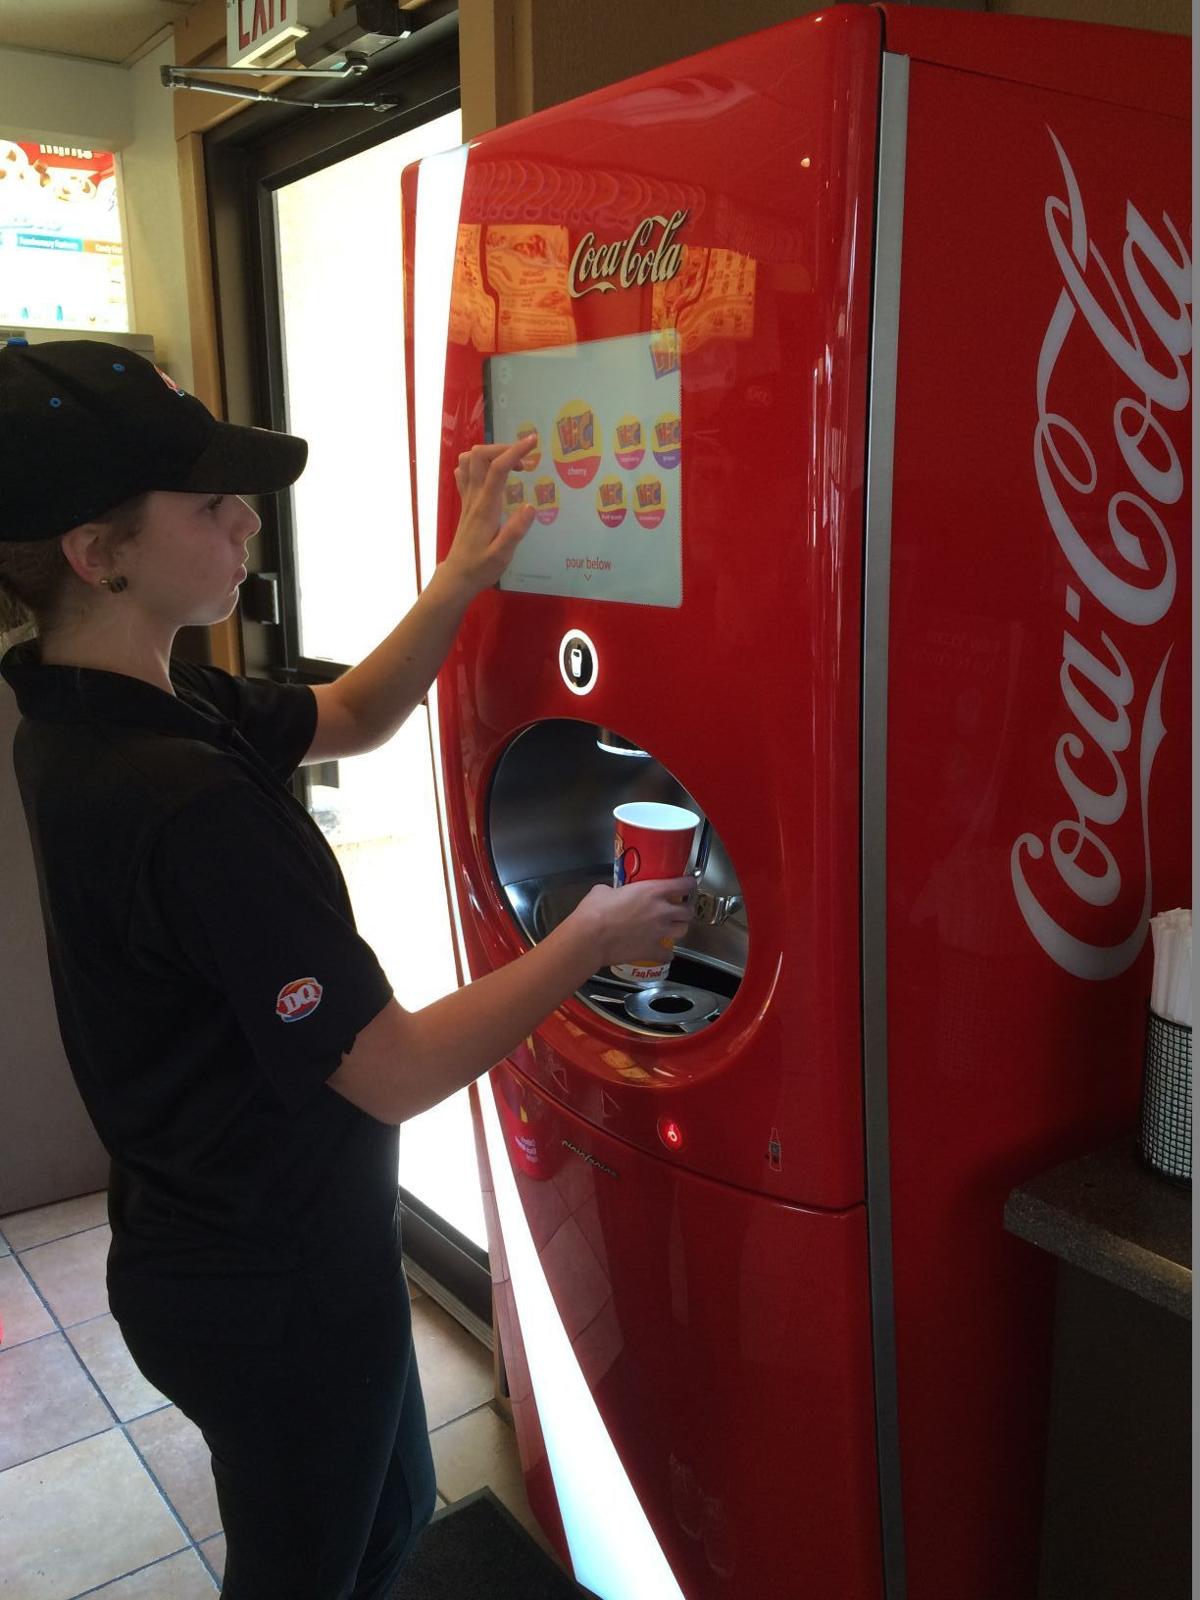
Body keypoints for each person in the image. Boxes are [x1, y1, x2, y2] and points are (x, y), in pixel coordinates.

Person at [0, 338, 694, 1600]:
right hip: (264, 1290)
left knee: (392, 1512)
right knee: (315, 1564)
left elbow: (360, 713)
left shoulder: (106, 705)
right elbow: (397, 1071)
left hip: (235, 1242)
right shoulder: (179, 798)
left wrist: (466, 575)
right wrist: (588, 935)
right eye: (210, 507)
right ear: (99, 554)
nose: (243, 524)